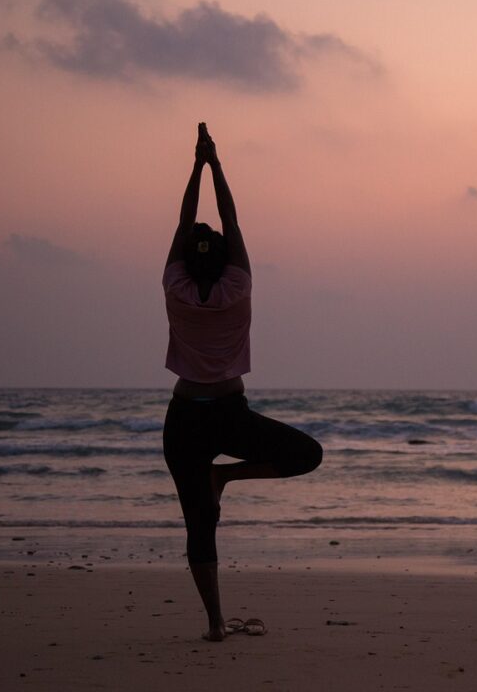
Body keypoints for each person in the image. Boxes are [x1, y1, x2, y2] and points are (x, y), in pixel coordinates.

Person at [162, 123, 323, 642]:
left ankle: (215, 622)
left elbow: (184, 222)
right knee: (307, 454)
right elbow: (229, 220)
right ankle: (226, 477)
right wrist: (215, 163)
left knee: (199, 525)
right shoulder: (239, 285)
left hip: (185, 419)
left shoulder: (175, 287)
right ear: (225, 258)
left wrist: (195, 165)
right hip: (229, 415)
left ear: (187, 262)